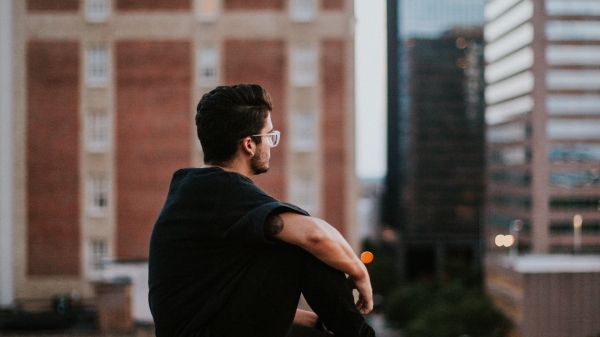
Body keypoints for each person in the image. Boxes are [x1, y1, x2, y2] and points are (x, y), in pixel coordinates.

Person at [148, 84, 376, 337]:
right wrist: (359, 270)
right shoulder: (223, 189)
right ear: (249, 144)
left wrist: (317, 322)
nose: (271, 145)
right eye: (270, 136)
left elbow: (230, 296)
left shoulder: (195, 189)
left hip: (207, 327)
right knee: (297, 244)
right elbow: (315, 235)